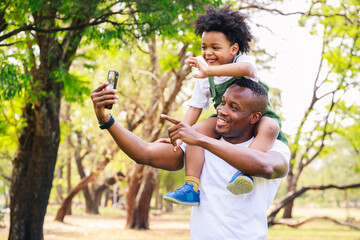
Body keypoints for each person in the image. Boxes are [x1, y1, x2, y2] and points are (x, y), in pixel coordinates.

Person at [91, 78, 290, 239]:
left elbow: (265, 166)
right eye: (222, 103)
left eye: (234, 107)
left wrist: (200, 139)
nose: (221, 110)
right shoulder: (199, 146)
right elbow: (144, 153)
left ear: (254, 118)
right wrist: (105, 119)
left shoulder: (274, 148)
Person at [163, 6, 288, 206]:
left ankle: (245, 173)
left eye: (215, 47)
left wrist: (209, 71)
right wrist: (181, 133)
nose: (208, 53)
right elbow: (195, 107)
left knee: (271, 127)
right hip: (227, 120)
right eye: (204, 47)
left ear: (234, 49)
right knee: (196, 132)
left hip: (258, 117)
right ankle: (191, 187)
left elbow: (247, 68)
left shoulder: (241, 62)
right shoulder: (204, 76)